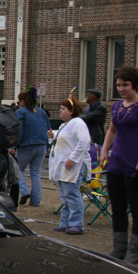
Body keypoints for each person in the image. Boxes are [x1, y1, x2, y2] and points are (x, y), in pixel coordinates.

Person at [99, 65, 138, 264]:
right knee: (118, 208)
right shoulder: (117, 106)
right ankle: (119, 247)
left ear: (135, 85)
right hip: (117, 164)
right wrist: (105, 150)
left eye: (125, 85)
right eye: (119, 85)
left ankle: (135, 251)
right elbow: (112, 130)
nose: (121, 89)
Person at [49, 96, 91, 235]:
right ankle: (65, 222)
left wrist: (73, 158)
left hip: (73, 165)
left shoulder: (78, 123)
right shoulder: (64, 125)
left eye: (63, 109)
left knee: (72, 194)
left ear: (71, 111)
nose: (60, 111)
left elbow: (84, 142)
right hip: (62, 164)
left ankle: (77, 224)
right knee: (65, 195)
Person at [13, 88, 51, 206]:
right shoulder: (41, 112)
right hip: (41, 145)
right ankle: (36, 200)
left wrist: (15, 145)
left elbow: (19, 130)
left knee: (19, 169)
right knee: (35, 173)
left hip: (26, 145)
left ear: (23, 101)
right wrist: (48, 145)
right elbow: (47, 128)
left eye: (19, 102)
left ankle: (24, 191)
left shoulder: (21, 112)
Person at [81, 88, 108, 163]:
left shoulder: (101, 108)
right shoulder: (86, 108)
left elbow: (88, 118)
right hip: (85, 136)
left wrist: (76, 118)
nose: (86, 97)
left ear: (93, 97)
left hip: (95, 138)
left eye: (88, 95)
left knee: (94, 161)